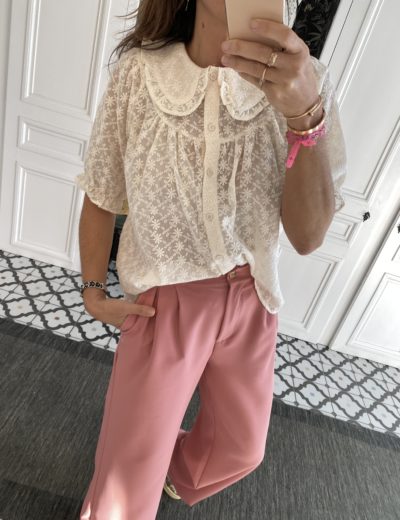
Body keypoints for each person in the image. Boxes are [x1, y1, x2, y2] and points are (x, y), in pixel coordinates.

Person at [76, 0, 347, 518]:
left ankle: (173, 473)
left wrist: (305, 116)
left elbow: (308, 237)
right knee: (123, 490)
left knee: (241, 448)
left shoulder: (306, 81)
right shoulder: (140, 74)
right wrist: (93, 291)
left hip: (253, 298)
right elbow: (101, 192)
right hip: (166, 301)